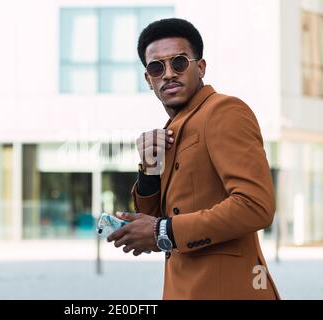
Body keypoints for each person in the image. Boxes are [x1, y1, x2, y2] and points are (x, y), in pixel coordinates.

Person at [107, 18, 280, 300]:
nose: (168, 74)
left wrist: (164, 231)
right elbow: (156, 221)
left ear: (200, 67)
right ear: (148, 79)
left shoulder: (224, 111)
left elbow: (256, 205)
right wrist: (149, 171)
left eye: (178, 63)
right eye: (156, 67)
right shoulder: (171, 130)